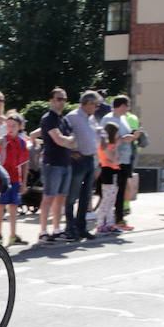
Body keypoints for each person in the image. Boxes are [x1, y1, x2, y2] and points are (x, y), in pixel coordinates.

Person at [62, 90, 103, 241]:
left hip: (90, 160)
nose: (97, 108)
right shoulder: (72, 117)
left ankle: (81, 227)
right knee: (72, 196)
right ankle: (70, 228)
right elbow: (63, 136)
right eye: (96, 105)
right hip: (77, 160)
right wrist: (70, 153)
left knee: (86, 197)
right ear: (89, 103)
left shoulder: (91, 118)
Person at [37, 88, 76, 242]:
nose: (61, 102)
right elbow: (58, 139)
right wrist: (68, 141)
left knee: (61, 198)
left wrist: (66, 140)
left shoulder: (64, 120)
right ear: (51, 100)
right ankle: (43, 231)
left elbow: (74, 140)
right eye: (58, 99)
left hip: (66, 163)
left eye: (64, 99)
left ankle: (57, 229)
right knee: (48, 197)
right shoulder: (48, 119)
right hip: (52, 164)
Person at [99, 95, 138, 231]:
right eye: (127, 105)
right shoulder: (108, 119)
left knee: (121, 190)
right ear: (122, 106)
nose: (128, 108)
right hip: (113, 160)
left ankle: (118, 220)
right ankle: (111, 221)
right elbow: (104, 138)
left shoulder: (124, 119)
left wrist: (132, 137)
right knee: (113, 192)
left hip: (124, 158)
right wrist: (122, 139)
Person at [0, 111, 29, 245]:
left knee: (14, 206)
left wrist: (24, 182)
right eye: (8, 125)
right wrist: (1, 147)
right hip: (3, 178)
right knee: (0, 206)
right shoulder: (3, 140)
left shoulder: (21, 142)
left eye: (14, 125)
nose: (11, 128)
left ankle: (13, 235)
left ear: (20, 126)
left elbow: (25, 163)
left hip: (15, 178)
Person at [95, 122, 121, 235]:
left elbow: (117, 160)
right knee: (106, 200)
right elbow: (115, 159)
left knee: (112, 200)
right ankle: (100, 224)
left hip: (113, 172)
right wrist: (116, 151)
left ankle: (110, 224)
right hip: (107, 173)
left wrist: (114, 159)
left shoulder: (111, 146)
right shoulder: (104, 146)